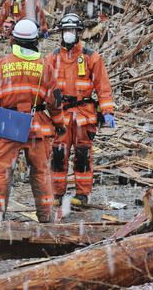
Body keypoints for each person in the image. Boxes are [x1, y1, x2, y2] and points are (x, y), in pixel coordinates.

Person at [0, 18, 63, 223]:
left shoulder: (2, 64)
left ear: (14, 41)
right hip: (36, 122)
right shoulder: (44, 66)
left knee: (2, 170)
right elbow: (54, 101)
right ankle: (46, 216)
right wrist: (59, 124)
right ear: (35, 41)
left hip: (9, 120)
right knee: (40, 172)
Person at [46, 13, 115, 206]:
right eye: (65, 30)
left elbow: (103, 86)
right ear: (61, 33)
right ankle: (57, 193)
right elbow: (42, 87)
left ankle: (82, 194)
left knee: (83, 155)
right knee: (59, 155)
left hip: (84, 114)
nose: (69, 34)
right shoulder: (51, 58)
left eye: (72, 30)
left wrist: (107, 111)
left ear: (79, 32)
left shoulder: (91, 57)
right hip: (60, 115)